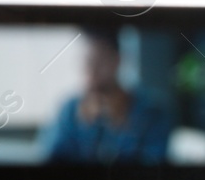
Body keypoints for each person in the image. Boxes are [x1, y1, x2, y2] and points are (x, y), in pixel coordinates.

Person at [42, 26, 173, 164]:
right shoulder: (70, 109)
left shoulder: (152, 110)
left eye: (99, 62)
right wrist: (85, 127)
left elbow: (156, 170)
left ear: (117, 60)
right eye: (87, 62)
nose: (91, 72)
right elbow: (51, 162)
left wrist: (120, 127)